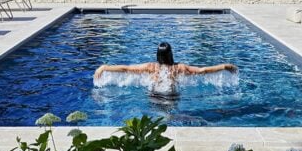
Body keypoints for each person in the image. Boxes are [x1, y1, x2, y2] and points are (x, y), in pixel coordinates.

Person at [93, 42, 238, 96]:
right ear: (171, 54)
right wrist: (224, 66)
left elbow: (126, 69)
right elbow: (202, 71)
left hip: (154, 95)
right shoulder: (179, 68)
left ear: (158, 55)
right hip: (172, 96)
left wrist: (105, 67)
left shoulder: (151, 67)